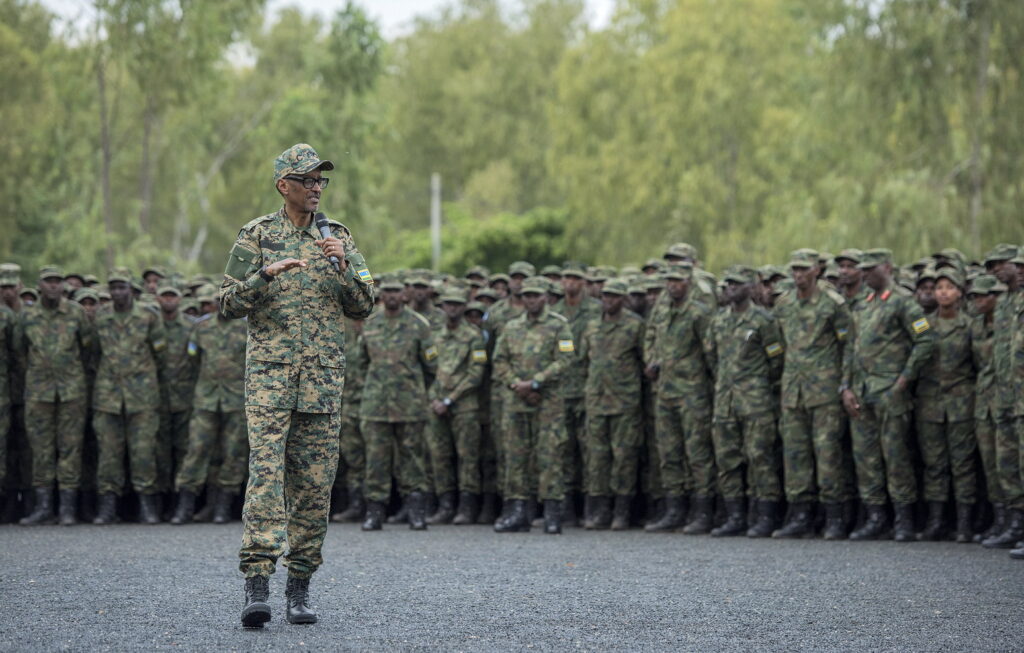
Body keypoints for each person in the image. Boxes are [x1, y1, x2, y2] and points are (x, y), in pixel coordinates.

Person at [220, 143, 374, 627]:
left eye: (321, 181)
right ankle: (257, 587)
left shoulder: (340, 237)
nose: (316, 188)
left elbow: (364, 304)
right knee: (266, 480)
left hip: (322, 385)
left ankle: (300, 588)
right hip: (269, 382)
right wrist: (264, 275)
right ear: (283, 185)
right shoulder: (258, 235)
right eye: (307, 179)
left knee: (313, 489)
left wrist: (343, 267)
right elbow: (226, 302)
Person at [842, 248, 934, 542]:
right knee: (866, 457)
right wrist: (845, 387)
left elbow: (925, 340)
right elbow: (850, 349)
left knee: (895, 457)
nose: (865, 274)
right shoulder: (862, 305)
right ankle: (875, 517)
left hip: (890, 392)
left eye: (871, 269)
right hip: (862, 392)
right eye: (863, 269)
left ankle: (903, 520)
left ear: (887, 268)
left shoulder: (903, 303)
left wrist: (904, 379)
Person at [771, 250, 852, 539]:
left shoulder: (833, 304)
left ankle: (833, 517)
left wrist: (845, 384)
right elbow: (778, 347)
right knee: (795, 454)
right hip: (793, 391)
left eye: (804, 269)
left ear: (817, 270)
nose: (798, 275)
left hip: (825, 391)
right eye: (794, 270)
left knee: (827, 453)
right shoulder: (783, 304)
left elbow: (848, 347)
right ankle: (800, 516)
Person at [492, 276, 575, 534]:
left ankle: (552, 513)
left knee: (549, 455)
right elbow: (499, 361)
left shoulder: (559, 326)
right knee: (516, 456)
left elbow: (566, 359)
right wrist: (517, 384)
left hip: (548, 402)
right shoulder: (511, 327)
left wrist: (536, 383)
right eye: (526, 295)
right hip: (516, 401)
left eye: (535, 295)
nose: (530, 300)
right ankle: (519, 512)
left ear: (545, 297)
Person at [708, 266, 785, 538]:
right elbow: (712, 359)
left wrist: (757, 384)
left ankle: (764, 516)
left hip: (755, 401)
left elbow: (776, 359)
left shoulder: (763, 320)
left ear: (751, 288)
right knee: (727, 458)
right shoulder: (718, 321)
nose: (730, 288)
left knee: (759, 456)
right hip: (725, 401)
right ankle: (735, 516)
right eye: (728, 284)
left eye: (737, 284)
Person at [14, 266, 93, 526]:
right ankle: (44, 507)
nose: (53, 286)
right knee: (41, 449)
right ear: (39, 285)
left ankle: (67, 509)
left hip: (71, 391)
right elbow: (20, 351)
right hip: (39, 392)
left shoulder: (76, 313)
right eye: (48, 281)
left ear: (63, 286)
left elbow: (87, 348)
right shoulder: (27, 315)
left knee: (70, 448)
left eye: (57, 281)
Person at [642, 265, 716, 533]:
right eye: (669, 281)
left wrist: (712, 385)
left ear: (689, 283)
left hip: (692, 393)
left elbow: (711, 353)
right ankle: (675, 510)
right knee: (669, 453)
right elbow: (650, 338)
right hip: (665, 392)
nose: (673, 285)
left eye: (678, 281)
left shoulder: (698, 312)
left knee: (697, 454)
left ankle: (703, 512)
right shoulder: (660, 311)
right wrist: (650, 361)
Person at [358, 280, 436, 531]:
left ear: (405, 295)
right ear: (382, 295)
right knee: (376, 460)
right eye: (388, 291)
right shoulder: (370, 324)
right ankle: (375, 512)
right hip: (376, 405)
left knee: (412, 458)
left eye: (396, 291)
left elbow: (432, 367)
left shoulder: (419, 325)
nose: (392, 296)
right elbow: (360, 363)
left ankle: (416, 511)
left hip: (409, 405)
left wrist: (417, 391)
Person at [92, 267, 165, 526]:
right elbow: (91, 352)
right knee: (109, 452)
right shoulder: (100, 317)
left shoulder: (148, 316)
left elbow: (160, 350)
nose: (117, 292)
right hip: (108, 395)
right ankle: (108, 507)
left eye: (121, 287)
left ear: (131, 289)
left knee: (143, 451)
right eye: (112, 287)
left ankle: (147, 505)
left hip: (142, 395)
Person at [170, 287, 249, 525]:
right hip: (206, 399)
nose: (225, 305)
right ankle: (185, 506)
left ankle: (222, 507)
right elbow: (193, 360)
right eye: (221, 301)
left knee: (233, 453)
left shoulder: (246, 328)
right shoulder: (202, 328)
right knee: (196, 449)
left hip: (235, 399)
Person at [914, 268, 977, 542]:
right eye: (939, 287)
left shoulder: (971, 324)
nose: (942, 292)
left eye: (949, 287)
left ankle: (964, 523)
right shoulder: (923, 323)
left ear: (960, 292)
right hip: (930, 403)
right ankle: (936, 521)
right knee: (934, 464)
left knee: (962, 463)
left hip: (961, 402)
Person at [578, 278, 645, 530]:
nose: (608, 300)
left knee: (623, 457)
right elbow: (584, 360)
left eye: (614, 296)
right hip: (596, 400)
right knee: (597, 457)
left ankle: (621, 511)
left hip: (624, 401)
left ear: (623, 299)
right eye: (605, 296)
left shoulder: (634, 325)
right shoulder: (592, 325)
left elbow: (643, 359)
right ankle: (599, 511)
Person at [426, 287, 486, 524]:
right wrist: (434, 397)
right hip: (436, 404)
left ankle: (466, 507)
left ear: (463, 307)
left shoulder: (474, 336)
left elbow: (476, 373)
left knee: (467, 457)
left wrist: (450, 399)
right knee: (439, 456)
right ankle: (445, 505)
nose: (452, 307)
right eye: (448, 303)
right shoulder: (434, 335)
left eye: (457, 304)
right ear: (442, 307)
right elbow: (429, 369)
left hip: (464, 406)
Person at [551, 263, 602, 526]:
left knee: (589, 449)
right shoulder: (555, 312)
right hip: (559, 391)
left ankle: (590, 507)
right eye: (566, 277)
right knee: (562, 449)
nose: (570, 282)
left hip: (586, 389)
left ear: (584, 282)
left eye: (576, 278)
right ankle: (566, 507)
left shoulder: (596, 309)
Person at [969, 275, 1007, 542]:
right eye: (974, 296)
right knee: (992, 464)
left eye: (982, 296)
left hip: (1008, 399)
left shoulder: (1008, 323)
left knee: (1011, 464)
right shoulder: (976, 326)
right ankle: (1002, 520)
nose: (977, 301)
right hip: (984, 401)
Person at [155, 284, 198, 515]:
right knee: (159, 451)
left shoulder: (192, 327)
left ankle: (183, 502)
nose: (168, 300)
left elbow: (197, 359)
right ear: (157, 298)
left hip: (185, 397)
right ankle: (162, 502)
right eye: (164, 295)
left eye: (173, 295)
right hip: (157, 397)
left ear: (180, 299)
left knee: (184, 450)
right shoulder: (150, 324)